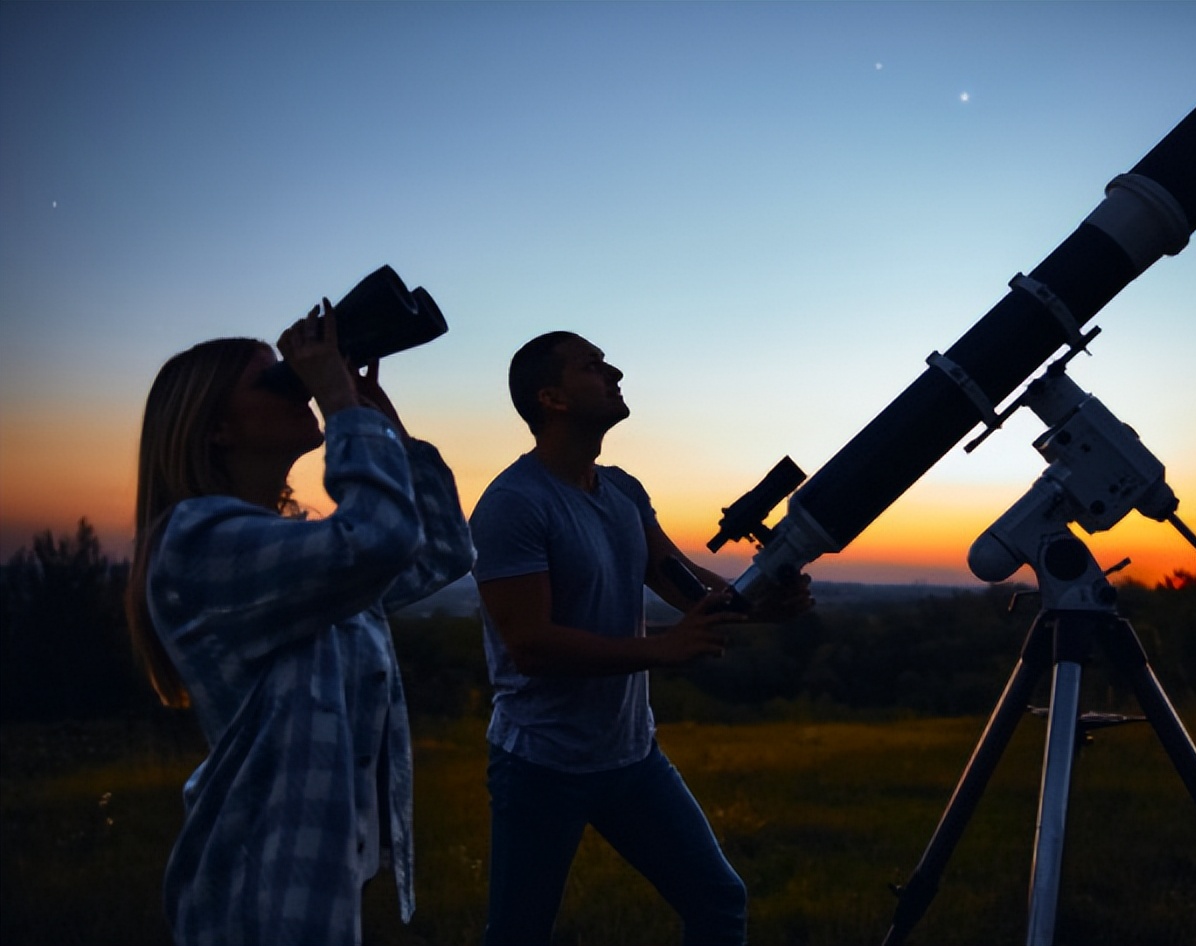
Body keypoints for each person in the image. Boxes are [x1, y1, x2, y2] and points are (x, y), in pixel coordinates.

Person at [123, 301, 474, 946]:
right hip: (256, 888)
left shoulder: (292, 554)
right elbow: (379, 536)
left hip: (313, 880)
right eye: (276, 381)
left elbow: (441, 551)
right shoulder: (196, 544)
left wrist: (382, 428)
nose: (302, 388)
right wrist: (339, 406)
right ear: (217, 428)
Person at [470, 331, 812, 946]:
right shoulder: (512, 504)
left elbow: (677, 581)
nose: (615, 372)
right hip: (542, 763)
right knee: (519, 935)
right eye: (594, 366)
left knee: (718, 902)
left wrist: (761, 606)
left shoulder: (622, 489)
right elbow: (531, 644)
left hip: (630, 758)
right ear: (552, 399)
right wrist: (661, 648)